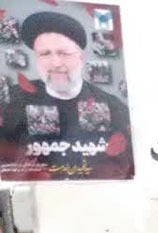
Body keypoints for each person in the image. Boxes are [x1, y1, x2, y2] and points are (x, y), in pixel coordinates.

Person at [0, 11, 133, 180]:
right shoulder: (10, 101)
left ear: (81, 57)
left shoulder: (114, 109)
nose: (56, 63)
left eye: (64, 53)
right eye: (45, 54)